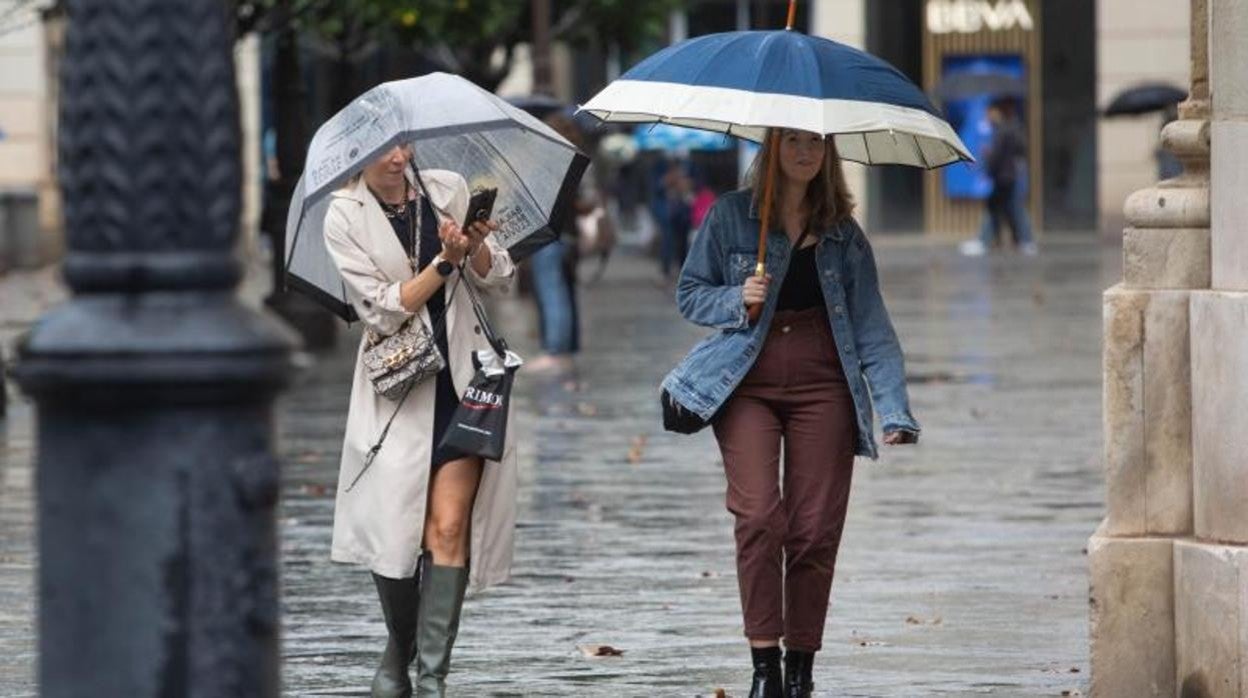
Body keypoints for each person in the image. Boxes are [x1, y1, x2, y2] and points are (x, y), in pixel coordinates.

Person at [662, 129, 920, 698]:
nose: (806, 152)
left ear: (828, 155)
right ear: (773, 146)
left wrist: (893, 409)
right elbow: (689, 293)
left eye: (817, 144)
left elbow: (872, 325)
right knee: (758, 517)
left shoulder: (843, 233)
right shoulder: (733, 216)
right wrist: (737, 299)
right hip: (745, 377)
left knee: (812, 530)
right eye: (795, 141)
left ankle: (800, 669)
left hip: (824, 380)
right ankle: (765, 667)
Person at [322, 144, 518, 697]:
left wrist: (475, 249)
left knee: (448, 530)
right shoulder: (344, 215)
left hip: (464, 386)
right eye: (383, 149)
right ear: (356, 156)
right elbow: (384, 307)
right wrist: (444, 262)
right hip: (398, 392)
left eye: (404, 144)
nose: (397, 158)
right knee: (395, 536)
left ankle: (432, 681)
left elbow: (498, 274)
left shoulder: (445, 189)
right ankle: (398, 649)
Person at [526, 113, 593, 374]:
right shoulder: (577, 160)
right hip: (569, 238)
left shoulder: (550, 163)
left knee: (553, 294)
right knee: (565, 293)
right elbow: (585, 201)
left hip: (550, 237)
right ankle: (567, 348)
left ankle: (556, 351)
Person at [960, 100, 1037, 256]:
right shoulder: (1008, 128)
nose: (987, 116)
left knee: (1003, 209)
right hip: (1006, 176)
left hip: (1005, 177)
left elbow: (998, 155)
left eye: (990, 112)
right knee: (1008, 209)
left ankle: (992, 241)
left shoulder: (1004, 130)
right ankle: (1020, 241)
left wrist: (987, 165)